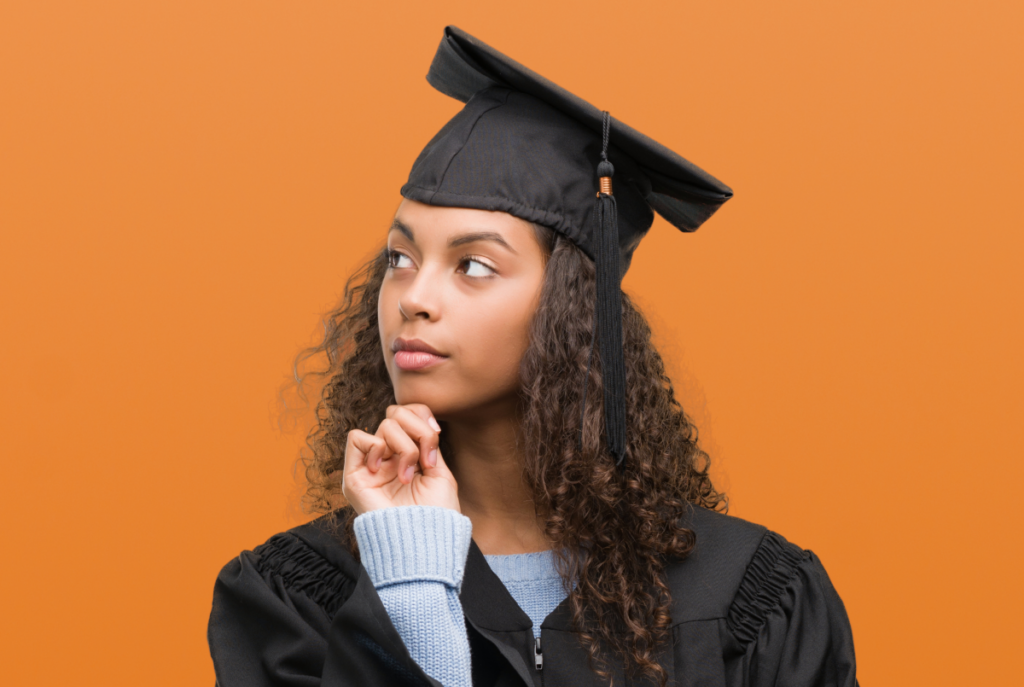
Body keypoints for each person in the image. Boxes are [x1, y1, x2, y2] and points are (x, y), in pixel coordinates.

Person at [207, 26, 859, 687]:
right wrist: (412, 577)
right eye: (400, 258)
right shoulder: (296, 597)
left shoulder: (751, 598)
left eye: (475, 265)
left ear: (571, 308)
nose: (415, 297)